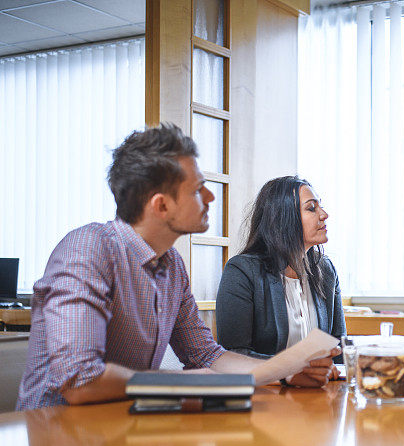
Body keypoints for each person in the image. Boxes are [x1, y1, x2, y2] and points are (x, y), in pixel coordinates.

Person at [16, 124, 336, 410]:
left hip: (124, 430)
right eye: (198, 189)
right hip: (58, 435)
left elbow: (206, 356)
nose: (210, 196)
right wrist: (185, 383)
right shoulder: (87, 250)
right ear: (161, 205)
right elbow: (79, 381)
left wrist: (286, 369)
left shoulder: (171, 264)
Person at [216, 176, 345, 366]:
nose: (324, 214)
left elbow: (339, 348)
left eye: (320, 206)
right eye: (311, 208)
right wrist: (296, 367)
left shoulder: (326, 270)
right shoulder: (241, 272)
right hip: (265, 391)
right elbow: (234, 354)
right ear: (284, 217)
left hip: (321, 392)